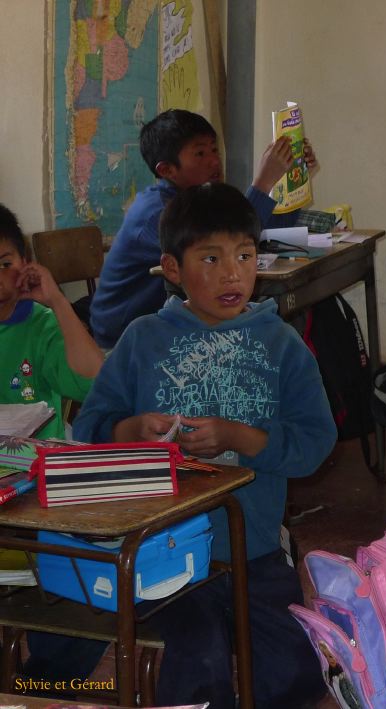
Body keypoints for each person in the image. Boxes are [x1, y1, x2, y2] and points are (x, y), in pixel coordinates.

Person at [26, 183, 336, 707]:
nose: (232, 274)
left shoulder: (280, 344)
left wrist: (239, 437)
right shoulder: (144, 339)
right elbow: (92, 424)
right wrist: (130, 431)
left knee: (296, 672)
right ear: (172, 268)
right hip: (159, 551)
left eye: (244, 256)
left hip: (252, 548)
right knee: (198, 661)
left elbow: (315, 441)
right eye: (211, 259)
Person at [89, 108, 318, 349]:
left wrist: (294, 181)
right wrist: (264, 181)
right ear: (167, 170)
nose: (214, 161)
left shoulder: (199, 200)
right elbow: (230, 238)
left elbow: (254, 233)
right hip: (125, 340)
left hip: (176, 321)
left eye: (214, 150)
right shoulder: (156, 213)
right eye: (200, 153)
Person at [0, 204, 102, 438]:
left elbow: (93, 384)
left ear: (25, 263)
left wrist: (58, 302)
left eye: (5, 265)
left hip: (36, 458)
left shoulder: (42, 326)